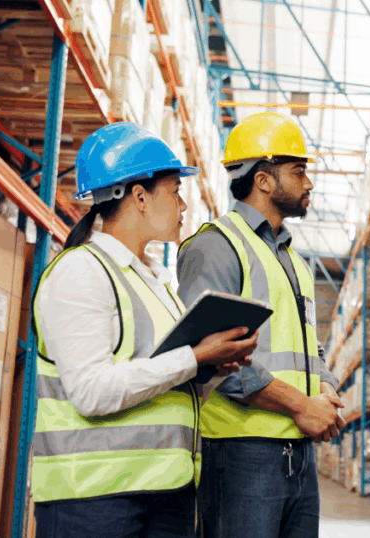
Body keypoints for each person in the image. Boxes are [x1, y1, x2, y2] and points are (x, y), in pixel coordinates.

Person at [30, 122, 258, 538]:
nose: (183, 206)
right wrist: (194, 357)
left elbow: (164, 385)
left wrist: (211, 368)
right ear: (138, 196)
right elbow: (91, 391)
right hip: (94, 502)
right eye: (174, 191)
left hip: (164, 491)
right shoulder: (82, 272)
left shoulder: (154, 283)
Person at [177, 112, 345, 538]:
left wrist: (324, 387)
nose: (309, 183)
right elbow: (214, 359)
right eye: (299, 171)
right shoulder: (217, 246)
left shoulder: (293, 261)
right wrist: (301, 405)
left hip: (299, 455)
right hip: (241, 454)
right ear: (264, 180)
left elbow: (310, 345)